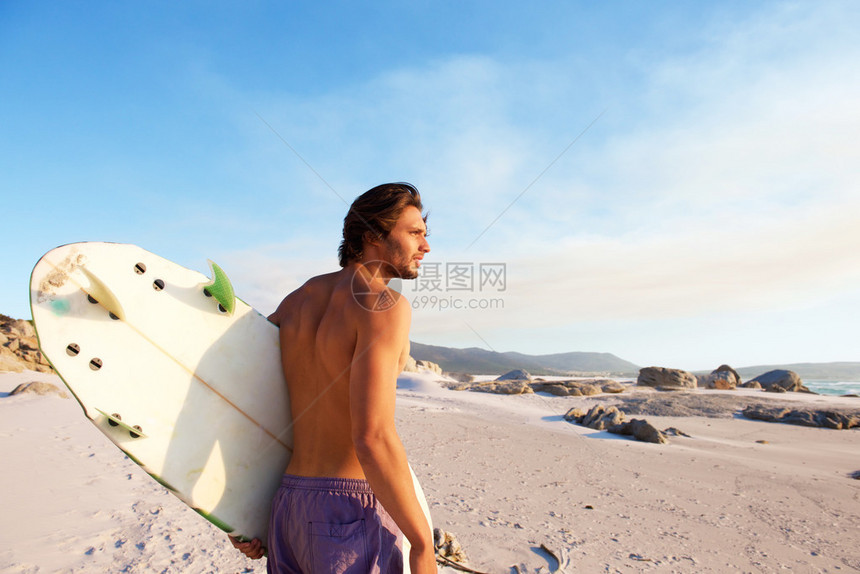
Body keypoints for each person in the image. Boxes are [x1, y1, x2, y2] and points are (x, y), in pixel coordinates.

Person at [230, 183, 435, 574]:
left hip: (287, 505)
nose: (426, 247)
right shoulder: (383, 305)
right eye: (414, 233)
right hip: (349, 513)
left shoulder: (297, 300)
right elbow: (372, 437)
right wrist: (423, 544)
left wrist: (236, 511)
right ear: (372, 235)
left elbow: (240, 401)